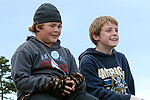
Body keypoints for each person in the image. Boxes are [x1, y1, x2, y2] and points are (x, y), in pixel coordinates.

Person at [11, 3, 98, 100]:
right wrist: (51, 84)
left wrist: (74, 82)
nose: (56, 30)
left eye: (59, 26)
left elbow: (80, 81)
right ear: (38, 27)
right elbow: (21, 81)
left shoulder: (66, 53)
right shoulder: (25, 50)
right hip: (37, 94)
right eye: (52, 26)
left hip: (65, 94)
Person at [78, 16, 145, 100]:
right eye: (109, 30)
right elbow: (95, 92)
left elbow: (130, 87)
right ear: (96, 36)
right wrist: (127, 98)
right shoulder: (88, 60)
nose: (114, 33)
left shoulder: (121, 58)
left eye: (116, 30)